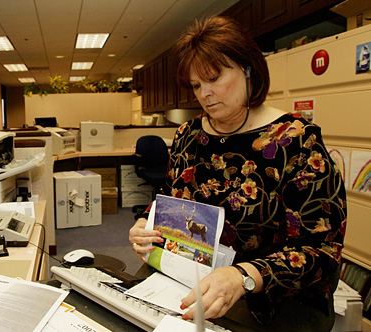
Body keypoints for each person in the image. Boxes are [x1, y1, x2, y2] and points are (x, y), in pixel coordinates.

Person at [129, 16, 347, 331]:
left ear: (248, 70)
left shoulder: (296, 140)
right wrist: (145, 224)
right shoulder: (188, 135)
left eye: (214, 78)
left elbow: (322, 251)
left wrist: (242, 276)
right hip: (189, 277)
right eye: (196, 85)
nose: (204, 94)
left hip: (275, 296)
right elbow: (170, 200)